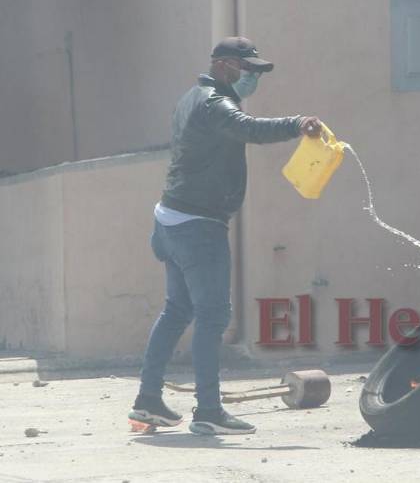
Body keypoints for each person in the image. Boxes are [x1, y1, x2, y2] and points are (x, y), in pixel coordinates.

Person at [129, 37, 324, 435]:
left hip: (170, 219)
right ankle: (209, 412)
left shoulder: (191, 98)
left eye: (256, 71)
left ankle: (148, 401)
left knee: (177, 311)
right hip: (197, 227)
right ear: (222, 66)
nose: (253, 77)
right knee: (213, 316)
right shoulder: (214, 104)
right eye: (247, 69)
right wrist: (296, 124)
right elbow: (247, 128)